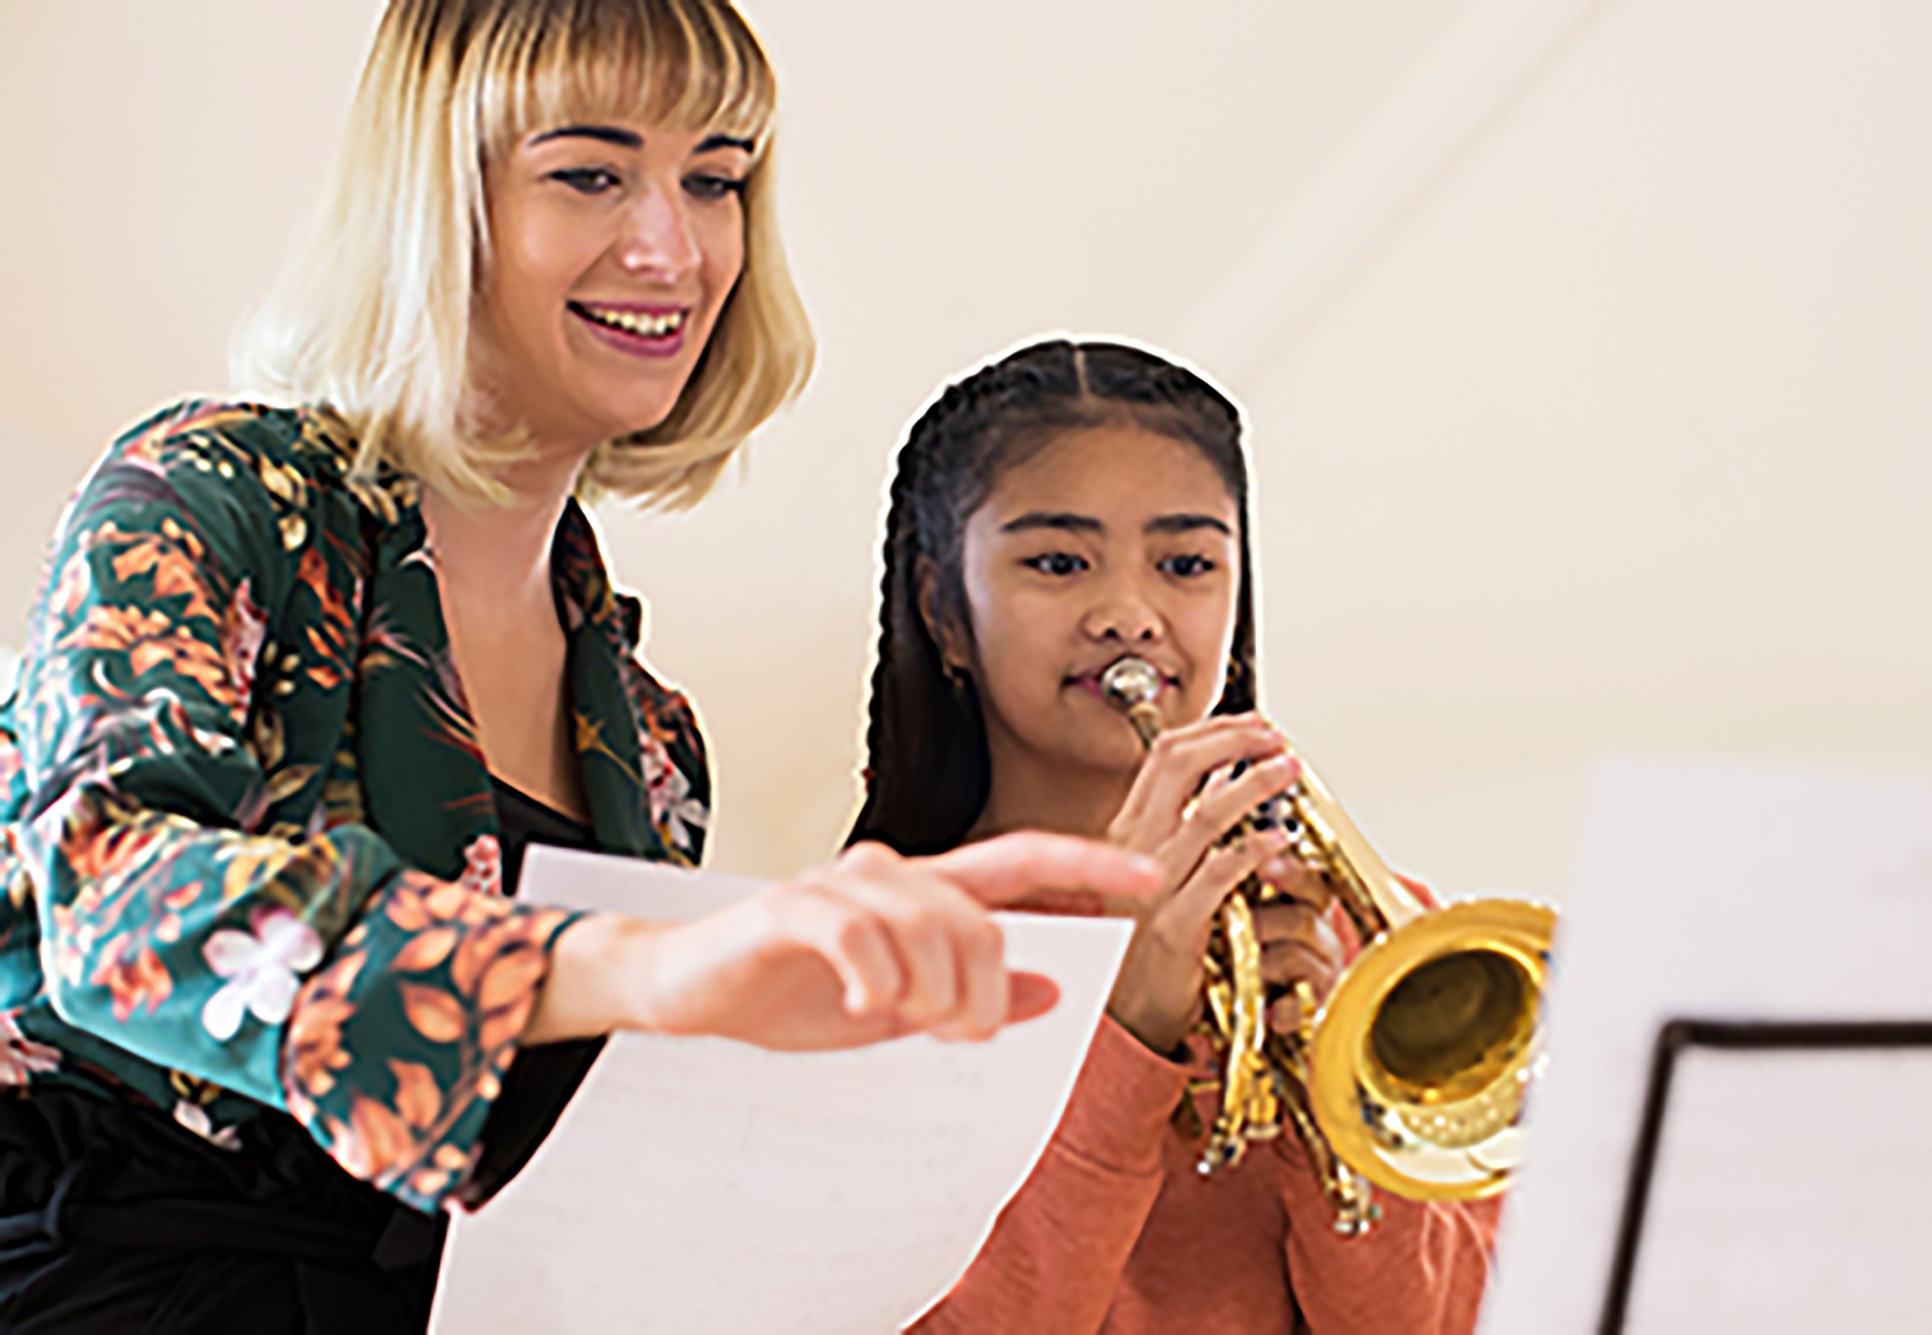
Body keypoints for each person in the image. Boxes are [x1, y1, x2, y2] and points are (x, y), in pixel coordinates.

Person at [0, 6, 1156, 1330]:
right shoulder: (213, 494)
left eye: (714, 179)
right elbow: (108, 894)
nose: (672, 247)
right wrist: (639, 964)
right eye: (591, 173)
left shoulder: (654, 741)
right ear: (440, 203)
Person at [851, 338, 1500, 1333]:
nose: (1128, 615)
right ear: (943, 611)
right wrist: (1128, 1032)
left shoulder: (1374, 935)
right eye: (1057, 562)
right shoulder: (866, 960)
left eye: (1187, 564)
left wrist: (1341, 1113)